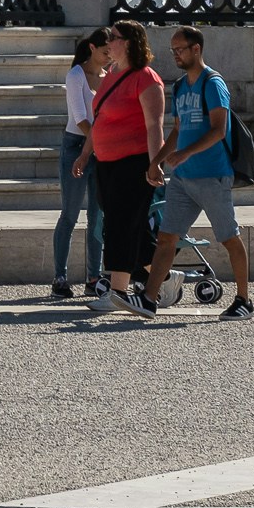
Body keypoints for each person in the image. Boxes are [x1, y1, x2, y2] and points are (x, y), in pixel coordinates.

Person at [149, 25, 254, 319]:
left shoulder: (213, 83)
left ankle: (244, 300)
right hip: (183, 178)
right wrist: (157, 160)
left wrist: (185, 152)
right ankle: (148, 298)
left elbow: (219, 130)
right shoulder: (180, 85)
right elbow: (178, 129)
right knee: (166, 238)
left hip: (212, 174)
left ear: (196, 49)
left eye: (179, 50)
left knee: (229, 238)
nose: (175, 55)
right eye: (173, 50)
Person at [84, 21, 169, 316]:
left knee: (120, 226)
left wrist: (156, 163)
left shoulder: (146, 78)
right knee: (129, 229)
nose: (109, 43)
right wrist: (87, 154)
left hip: (133, 162)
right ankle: (165, 276)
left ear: (130, 42)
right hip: (106, 163)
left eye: (115, 38)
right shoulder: (112, 74)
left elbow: (154, 126)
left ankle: (117, 291)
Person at [49, 27, 117, 300]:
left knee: (97, 216)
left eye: (111, 53)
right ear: (92, 48)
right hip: (77, 144)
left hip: (101, 147)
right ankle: (60, 276)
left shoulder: (109, 76)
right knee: (70, 213)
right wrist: (97, 144)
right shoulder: (76, 74)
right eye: (104, 53)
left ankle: (93, 275)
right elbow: (80, 117)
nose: (108, 58)